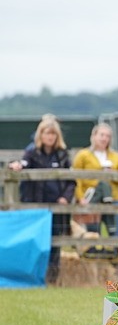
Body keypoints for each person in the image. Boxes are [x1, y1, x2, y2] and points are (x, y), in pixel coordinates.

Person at [8, 119, 74, 283]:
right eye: (46, 133)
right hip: (35, 207)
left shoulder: (63, 154)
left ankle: (52, 279)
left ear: (57, 136)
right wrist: (17, 166)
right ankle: (33, 277)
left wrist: (65, 197)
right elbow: (24, 163)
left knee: (54, 243)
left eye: (53, 133)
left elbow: (71, 180)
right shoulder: (32, 153)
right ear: (40, 135)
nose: (50, 137)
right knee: (35, 243)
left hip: (56, 207)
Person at [72, 123, 118, 236]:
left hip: (113, 198)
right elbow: (75, 178)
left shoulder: (115, 156)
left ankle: (115, 253)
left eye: (107, 136)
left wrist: (113, 174)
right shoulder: (83, 155)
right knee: (93, 233)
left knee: (115, 233)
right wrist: (80, 197)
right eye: (102, 135)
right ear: (94, 136)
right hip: (91, 198)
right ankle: (95, 253)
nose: (104, 138)